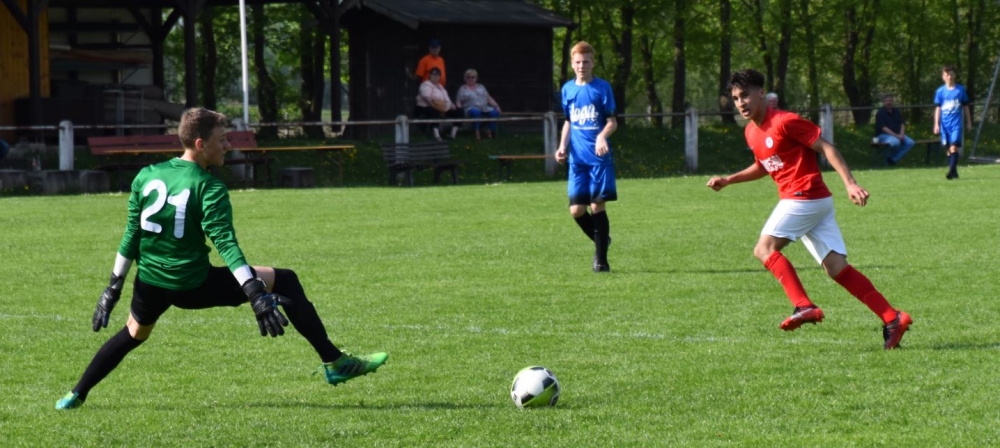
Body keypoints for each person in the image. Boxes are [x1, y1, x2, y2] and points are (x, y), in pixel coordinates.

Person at [55, 108, 388, 410]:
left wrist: (113, 287)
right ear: (201, 144)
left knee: (134, 334)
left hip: (151, 281)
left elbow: (132, 235)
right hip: (192, 284)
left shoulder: (147, 175)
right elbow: (226, 244)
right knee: (285, 279)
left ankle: (75, 394)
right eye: (222, 140)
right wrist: (255, 292)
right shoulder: (208, 187)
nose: (228, 145)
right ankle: (335, 362)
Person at [706, 69, 912, 350]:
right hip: (815, 203)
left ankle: (803, 305)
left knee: (764, 249)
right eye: (735, 98)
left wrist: (850, 183)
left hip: (803, 196)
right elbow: (764, 165)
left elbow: (827, 148)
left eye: (745, 95)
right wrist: (729, 180)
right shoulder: (751, 132)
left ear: (761, 93)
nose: (741, 102)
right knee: (837, 268)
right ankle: (892, 318)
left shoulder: (785, 121)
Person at [555, 41, 618, 273]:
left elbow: (612, 122)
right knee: (577, 211)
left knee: (596, 205)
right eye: (578, 62)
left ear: (593, 63)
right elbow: (568, 122)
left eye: (586, 62)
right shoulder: (567, 90)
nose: (582, 66)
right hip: (577, 161)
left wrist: (602, 136)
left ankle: (601, 261)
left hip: (599, 159)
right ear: (572, 64)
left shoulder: (602, 88)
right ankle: (603, 240)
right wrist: (562, 146)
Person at [933, 65, 973, 180]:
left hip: (956, 124)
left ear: (954, 75)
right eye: (947, 75)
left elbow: (966, 106)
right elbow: (938, 108)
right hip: (944, 125)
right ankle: (954, 172)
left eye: (951, 74)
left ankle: (950, 172)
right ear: (943, 77)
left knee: (954, 147)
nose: (949, 77)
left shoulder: (960, 90)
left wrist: (969, 122)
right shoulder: (940, 91)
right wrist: (936, 124)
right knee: (948, 150)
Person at [414, 67, 464, 141]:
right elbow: (427, 98)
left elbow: (447, 98)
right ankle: (437, 136)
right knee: (433, 111)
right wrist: (438, 107)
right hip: (425, 107)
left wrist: (451, 105)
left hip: (442, 107)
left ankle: (452, 135)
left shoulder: (440, 86)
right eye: (433, 74)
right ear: (430, 75)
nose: (436, 76)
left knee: (459, 111)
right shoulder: (426, 85)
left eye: (437, 75)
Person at [455, 68, 502, 139]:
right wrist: (459, 110)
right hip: (470, 108)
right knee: (476, 112)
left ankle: (489, 131)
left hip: (484, 107)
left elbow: (488, 98)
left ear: (476, 78)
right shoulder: (462, 89)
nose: (470, 79)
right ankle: (476, 132)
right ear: (465, 78)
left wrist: (497, 106)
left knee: (495, 113)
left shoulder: (481, 87)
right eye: (468, 77)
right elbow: (458, 101)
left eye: (472, 77)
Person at [874, 93, 915, 165]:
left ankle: (893, 160)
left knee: (910, 142)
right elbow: (883, 128)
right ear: (884, 102)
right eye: (887, 101)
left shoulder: (896, 111)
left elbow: (902, 124)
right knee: (895, 142)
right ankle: (888, 158)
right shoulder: (880, 113)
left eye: (890, 101)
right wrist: (897, 136)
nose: (888, 103)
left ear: (892, 102)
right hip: (882, 135)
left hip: (897, 134)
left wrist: (902, 134)